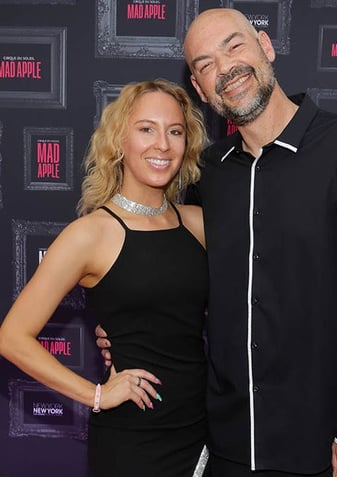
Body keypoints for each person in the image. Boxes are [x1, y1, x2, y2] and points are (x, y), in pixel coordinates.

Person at [99, 8, 337, 476]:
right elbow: (183, 283)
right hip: (224, 448)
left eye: (234, 46)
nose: (225, 68)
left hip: (325, 448)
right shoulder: (208, 174)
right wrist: (128, 329)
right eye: (205, 65)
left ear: (266, 47)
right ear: (201, 90)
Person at [0, 79, 208, 476]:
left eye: (175, 131)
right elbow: (12, 337)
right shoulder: (90, 234)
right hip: (133, 441)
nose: (162, 144)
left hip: (204, 434)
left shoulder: (199, 224)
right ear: (119, 141)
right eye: (146, 128)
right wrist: (96, 394)